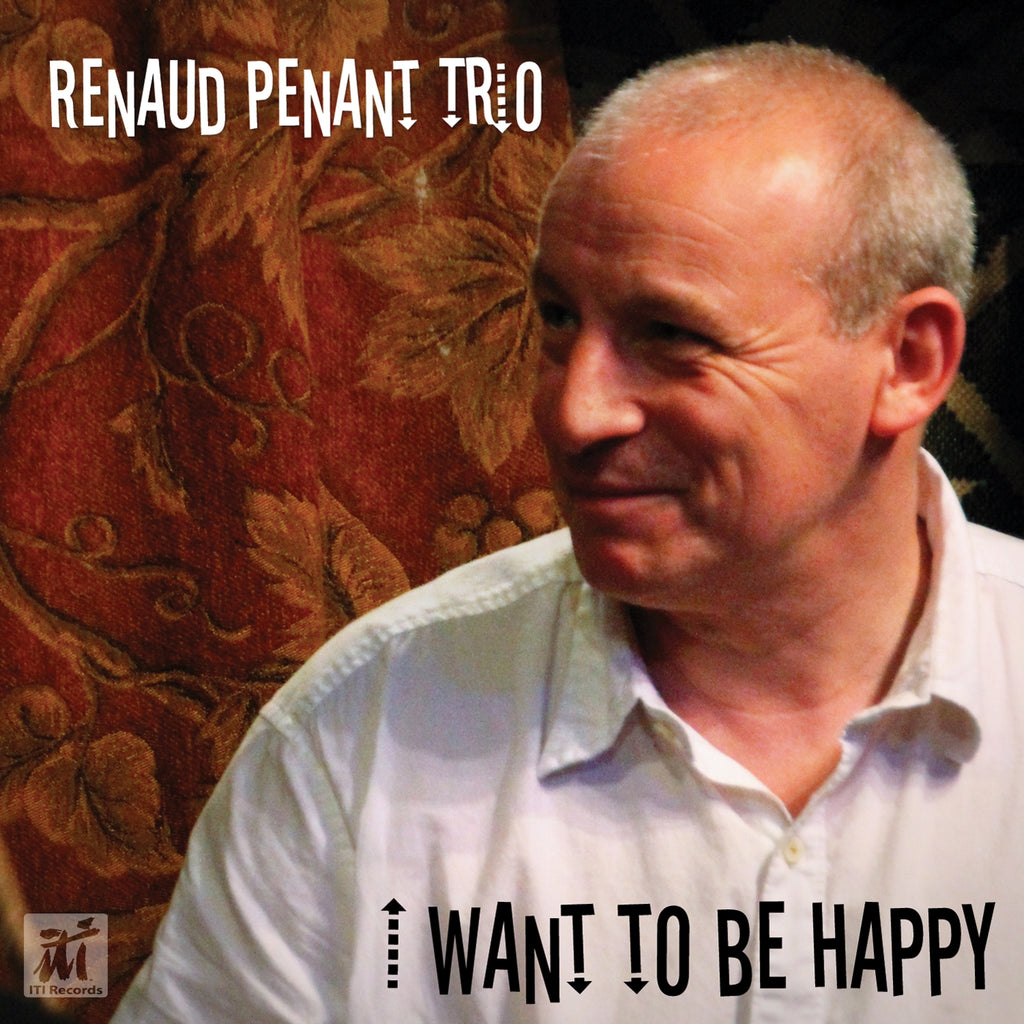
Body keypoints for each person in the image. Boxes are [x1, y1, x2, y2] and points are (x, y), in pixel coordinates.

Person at [111, 42, 1024, 1023]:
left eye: (670, 334)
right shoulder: (362, 736)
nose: (572, 412)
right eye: (557, 318)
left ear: (909, 361)